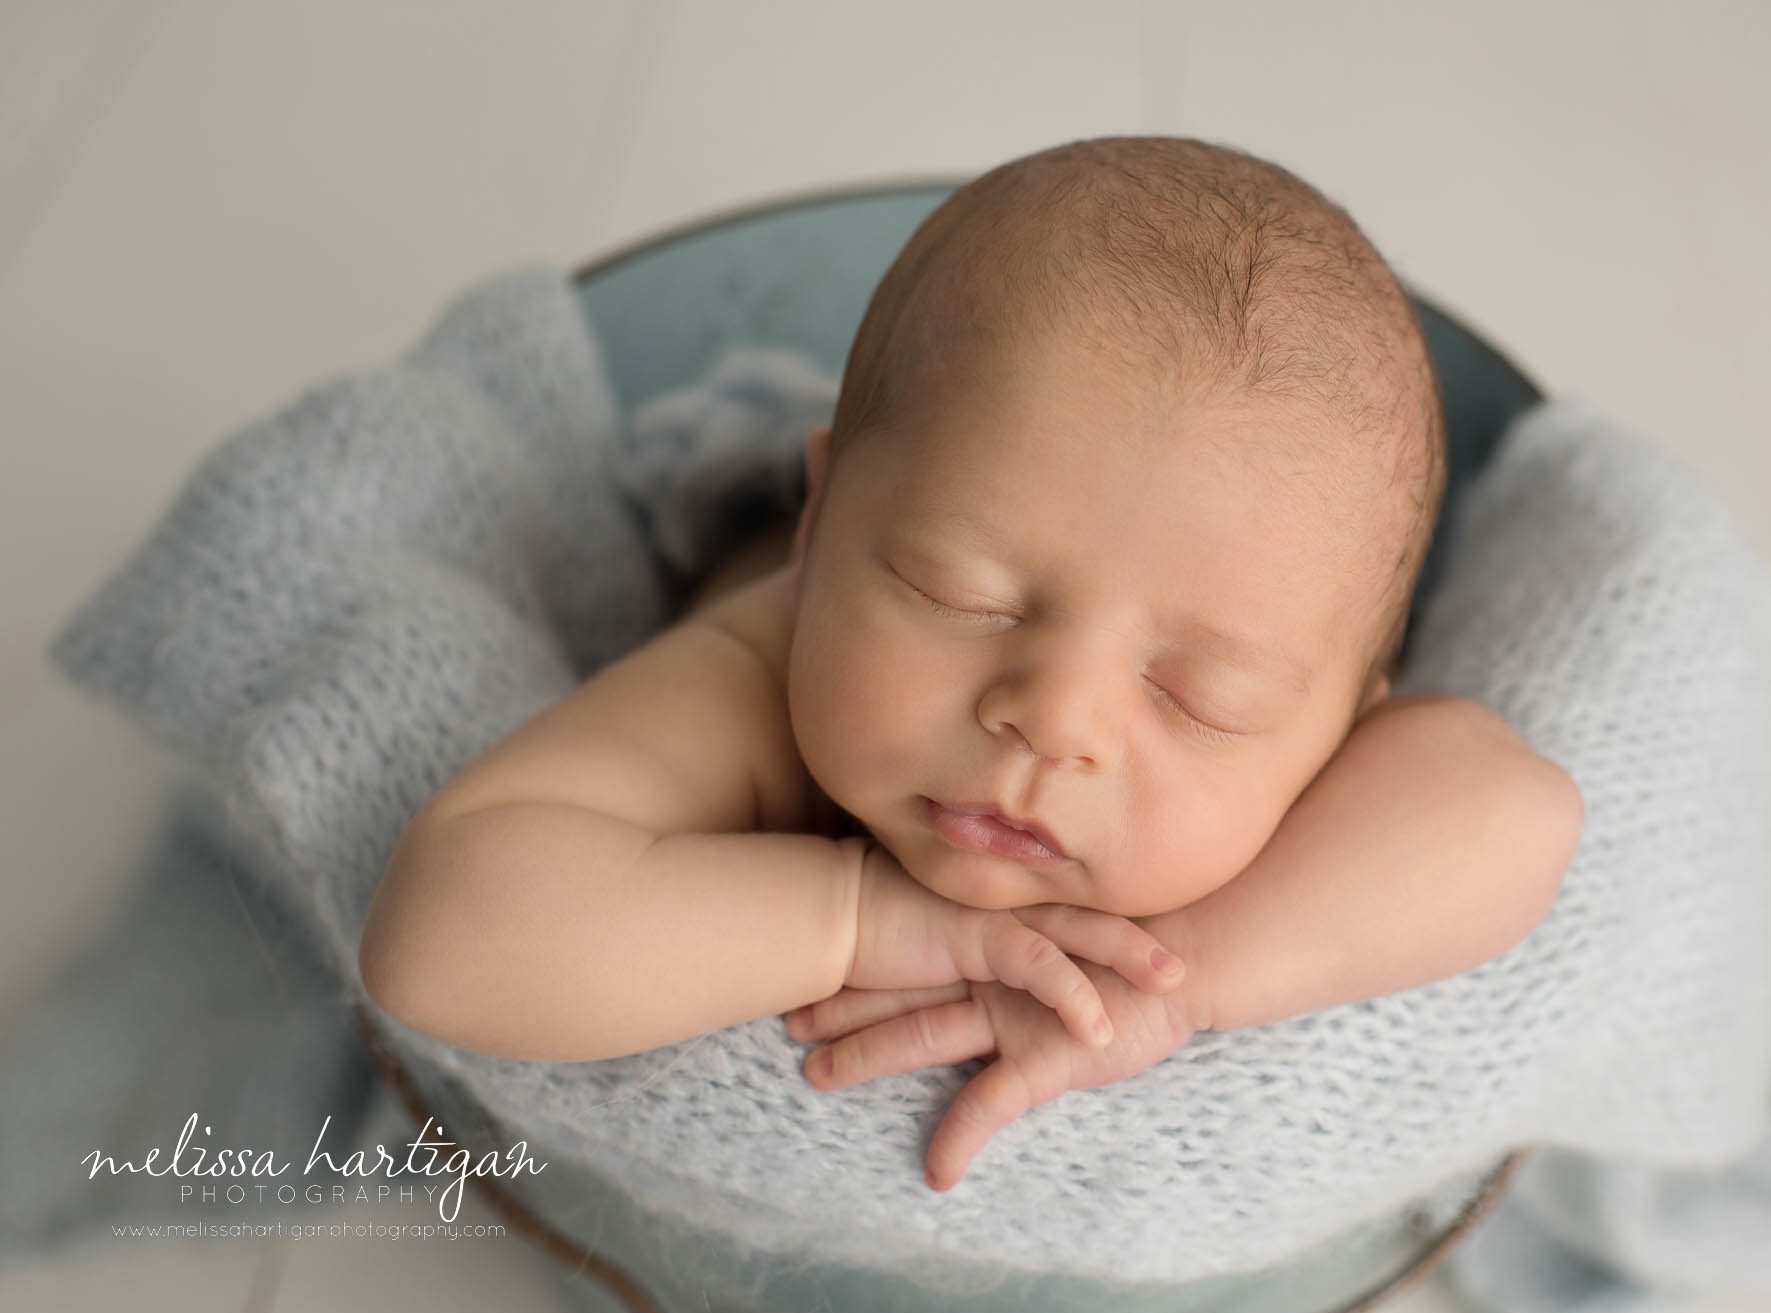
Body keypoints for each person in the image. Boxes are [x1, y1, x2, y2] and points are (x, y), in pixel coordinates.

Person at [358, 136, 1585, 1191]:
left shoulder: (1307, 767)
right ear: (820, 514)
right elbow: (444, 939)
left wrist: (1185, 980)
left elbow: (1518, 813)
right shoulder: (758, 678)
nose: (1055, 718)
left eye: (1201, 698)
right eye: (961, 594)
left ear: (1335, 731)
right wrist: (862, 922)